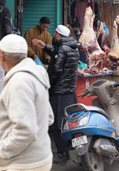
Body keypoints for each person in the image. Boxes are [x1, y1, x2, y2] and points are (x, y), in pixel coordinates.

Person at [0, 34, 54, 171]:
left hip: (23, 164)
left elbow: (26, 130)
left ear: (2, 56)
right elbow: (49, 117)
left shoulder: (19, 82)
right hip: (40, 159)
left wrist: (2, 152)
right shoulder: (36, 74)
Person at [32, 25, 79, 164]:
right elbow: (59, 54)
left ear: (58, 35)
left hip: (59, 92)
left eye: (55, 34)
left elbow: (57, 69)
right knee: (67, 121)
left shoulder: (62, 48)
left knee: (57, 123)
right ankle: (68, 148)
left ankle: (62, 153)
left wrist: (46, 82)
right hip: (69, 91)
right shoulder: (72, 47)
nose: (54, 36)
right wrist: (44, 46)